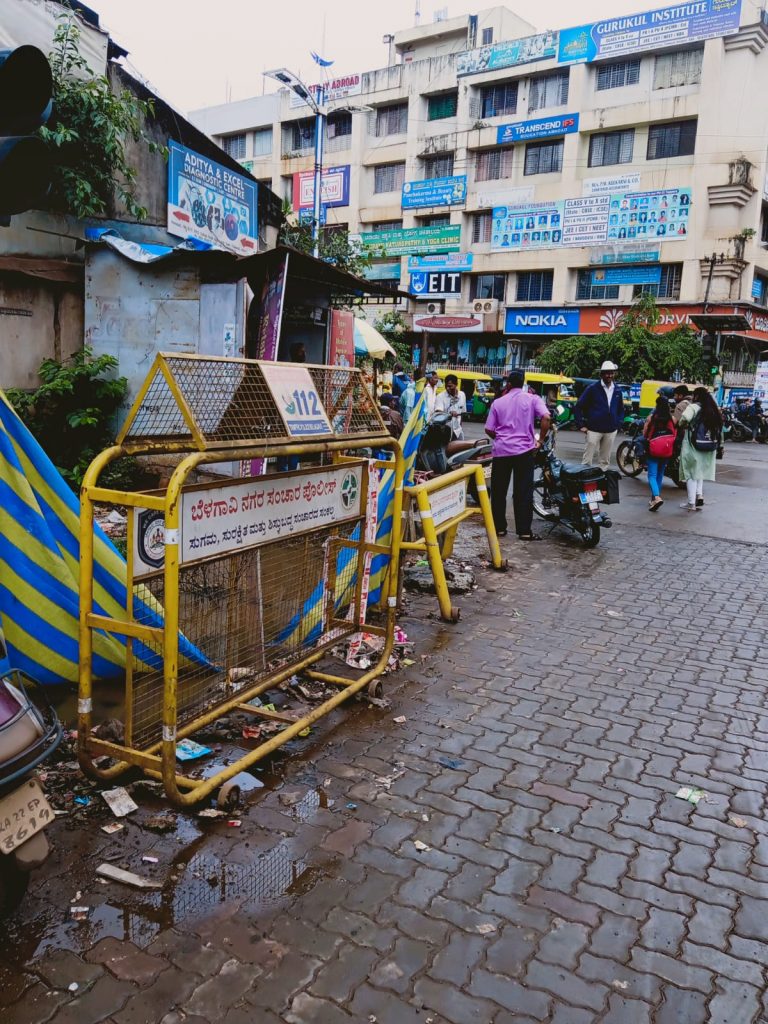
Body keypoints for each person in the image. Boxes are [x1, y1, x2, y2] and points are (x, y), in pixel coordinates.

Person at [485, 369, 551, 540]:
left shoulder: (498, 402)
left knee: (499, 491)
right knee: (523, 491)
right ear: (523, 383)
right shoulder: (532, 399)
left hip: (501, 452)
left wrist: (500, 438)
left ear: (508, 384)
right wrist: (540, 441)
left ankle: (499, 528)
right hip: (524, 451)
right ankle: (524, 531)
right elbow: (546, 417)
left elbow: (489, 429)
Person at [677, 386, 723, 511]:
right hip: (709, 445)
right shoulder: (713, 409)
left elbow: (684, 418)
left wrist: (682, 424)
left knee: (691, 473)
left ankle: (691, 503)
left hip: (693, 445)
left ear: (696, 396)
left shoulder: (693, 407)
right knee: (699, 472)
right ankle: (699, 495)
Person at [574, 361, 624, 471]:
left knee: (604, 461)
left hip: (610, 430)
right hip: (593, 429)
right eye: (607, 373)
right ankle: (585, 478)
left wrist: (619, 423)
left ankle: (601, 479)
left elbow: (621, 408)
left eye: (611, 373)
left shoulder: (617, 389)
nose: (609, 375)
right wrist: (580, 425)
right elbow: (578, 406)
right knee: (587, 460)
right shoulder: (593, 388)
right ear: (601, 374)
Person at [643, 395, 676, 512]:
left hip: (653, 450)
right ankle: (654, 499)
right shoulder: (672, 419)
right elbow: (674, 433)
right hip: (666, 450)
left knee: (652, 475)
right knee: (660, 474)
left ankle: (656, 497)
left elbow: (645, 433)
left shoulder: (652, 418)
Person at [434, 373, 467, 440]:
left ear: (456, 384)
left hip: (458, 431)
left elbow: (462, 413)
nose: (447, 388)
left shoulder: (462, 395)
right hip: (445, 431)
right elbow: (438, 412)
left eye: (450, 386)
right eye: (446, 386)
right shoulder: (440, 396)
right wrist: (449, 414)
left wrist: (460, 427)